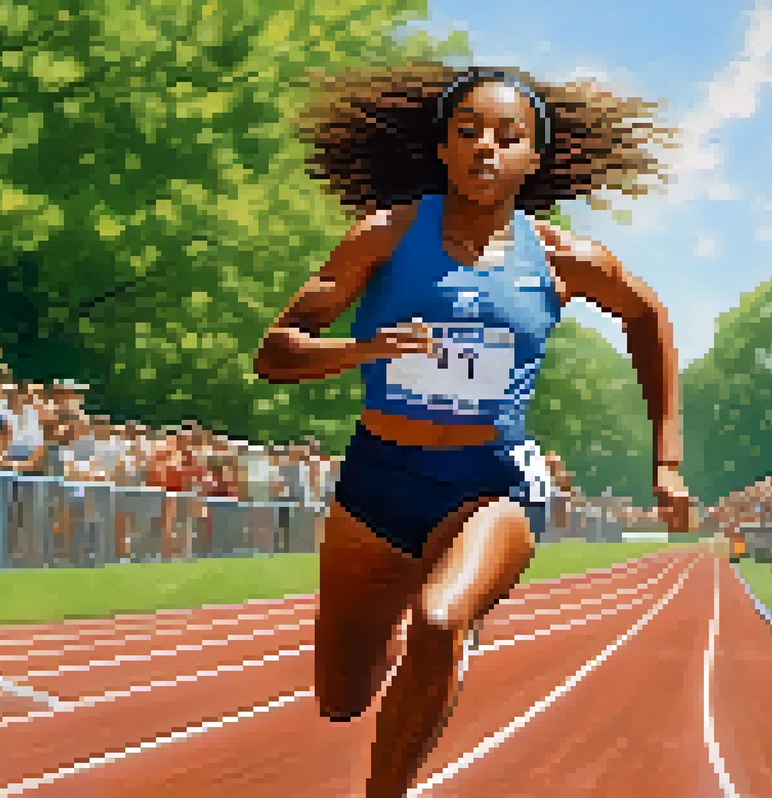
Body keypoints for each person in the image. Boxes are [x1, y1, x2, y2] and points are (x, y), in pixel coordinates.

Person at [253, 65, 689, 797]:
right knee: (342, 697)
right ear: (445, 150)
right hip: (378, 483)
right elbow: (275, 352)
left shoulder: (561, 259)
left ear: (532, 159)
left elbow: (647, 318)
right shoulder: (384, 238)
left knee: (438, 619)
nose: (486, 146)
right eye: (468, 132)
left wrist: (666, 458)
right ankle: (430, 645)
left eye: (507, 136)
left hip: (492, 481)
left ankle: (407, 729)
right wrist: (368, 349)